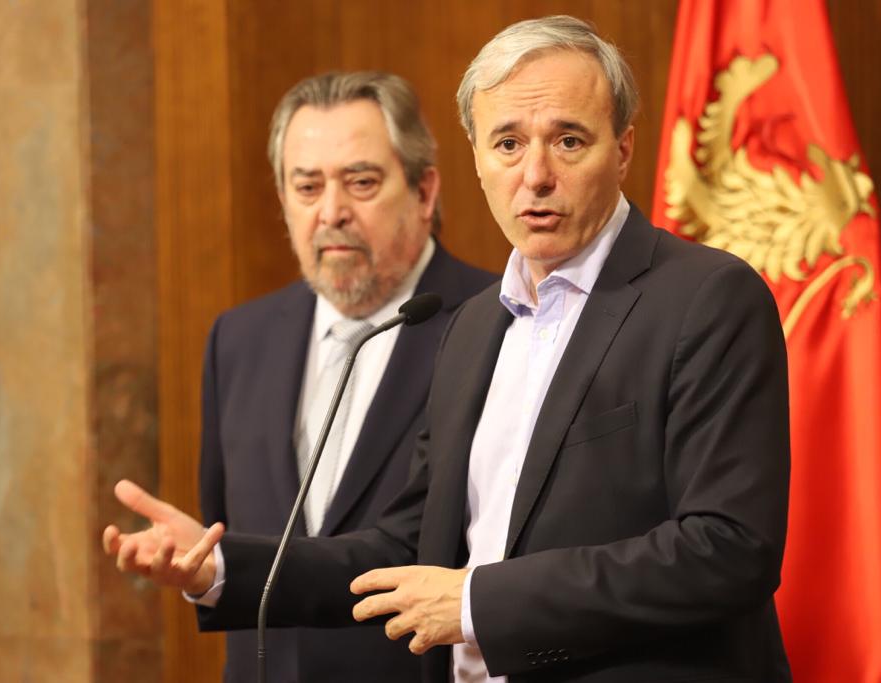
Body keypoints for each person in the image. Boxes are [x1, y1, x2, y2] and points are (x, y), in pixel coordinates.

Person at [106, 16, 791, 682]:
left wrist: (475, 602)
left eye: (569, 140)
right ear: (477, 160)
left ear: (624, 149)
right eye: (508, 143)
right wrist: (221, 567)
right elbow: (407, 544)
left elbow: (728, 547)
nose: (536, 175)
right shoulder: (471, 327)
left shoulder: (707, 298)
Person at [177, 71, 494, 682]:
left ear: (424, 191)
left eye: (361, 182)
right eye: (307, 186)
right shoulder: (238, 339)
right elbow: (227, 528)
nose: (331, 213)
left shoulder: (496, 324)